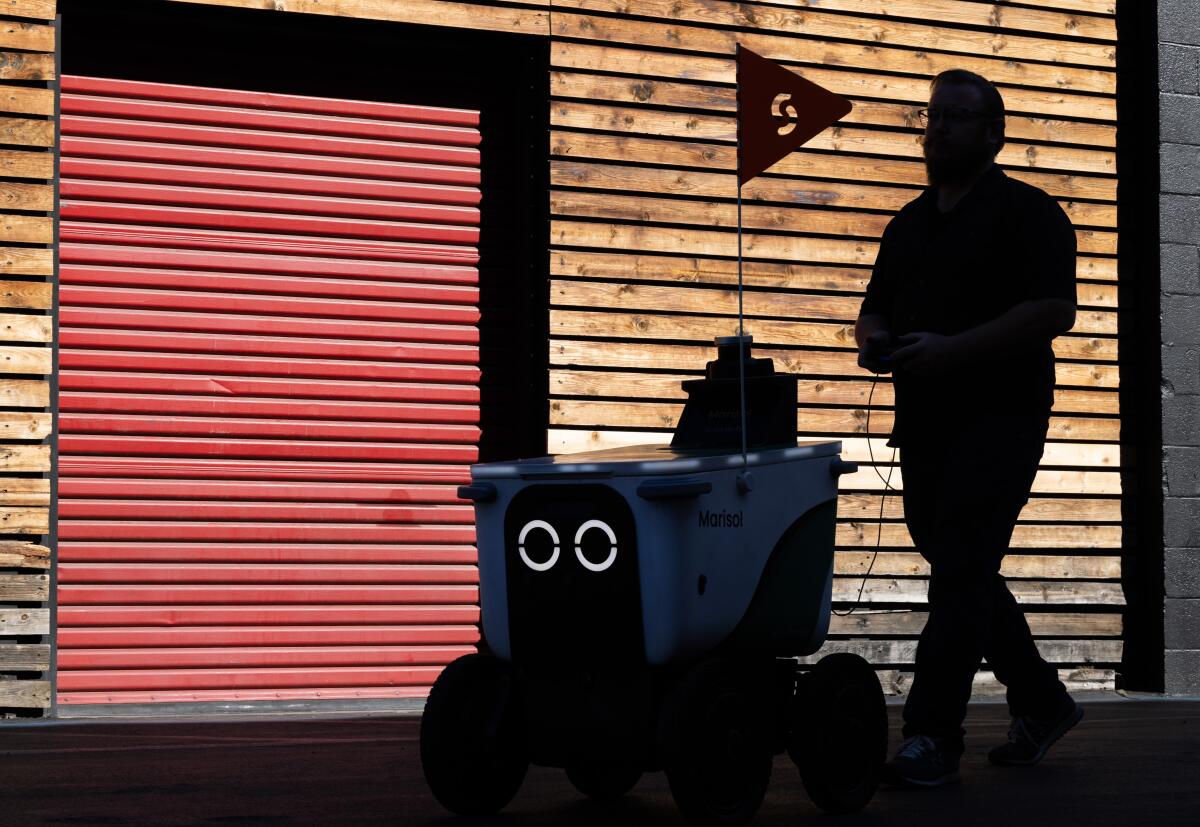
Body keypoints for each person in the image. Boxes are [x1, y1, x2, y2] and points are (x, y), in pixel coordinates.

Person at [855, 69, 1084, 787]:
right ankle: (1042, 700)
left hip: (1003, 415)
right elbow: (875, 308)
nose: (940, 127)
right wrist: (873, 338)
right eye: (934, 115)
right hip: (924, 420)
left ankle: (931, 736)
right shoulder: (909, 223)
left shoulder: (1029, 213)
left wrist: (954, 349)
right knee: (958, 560)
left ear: (994, 133)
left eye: (958, 117)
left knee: (958, 566)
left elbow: (1052, 310)